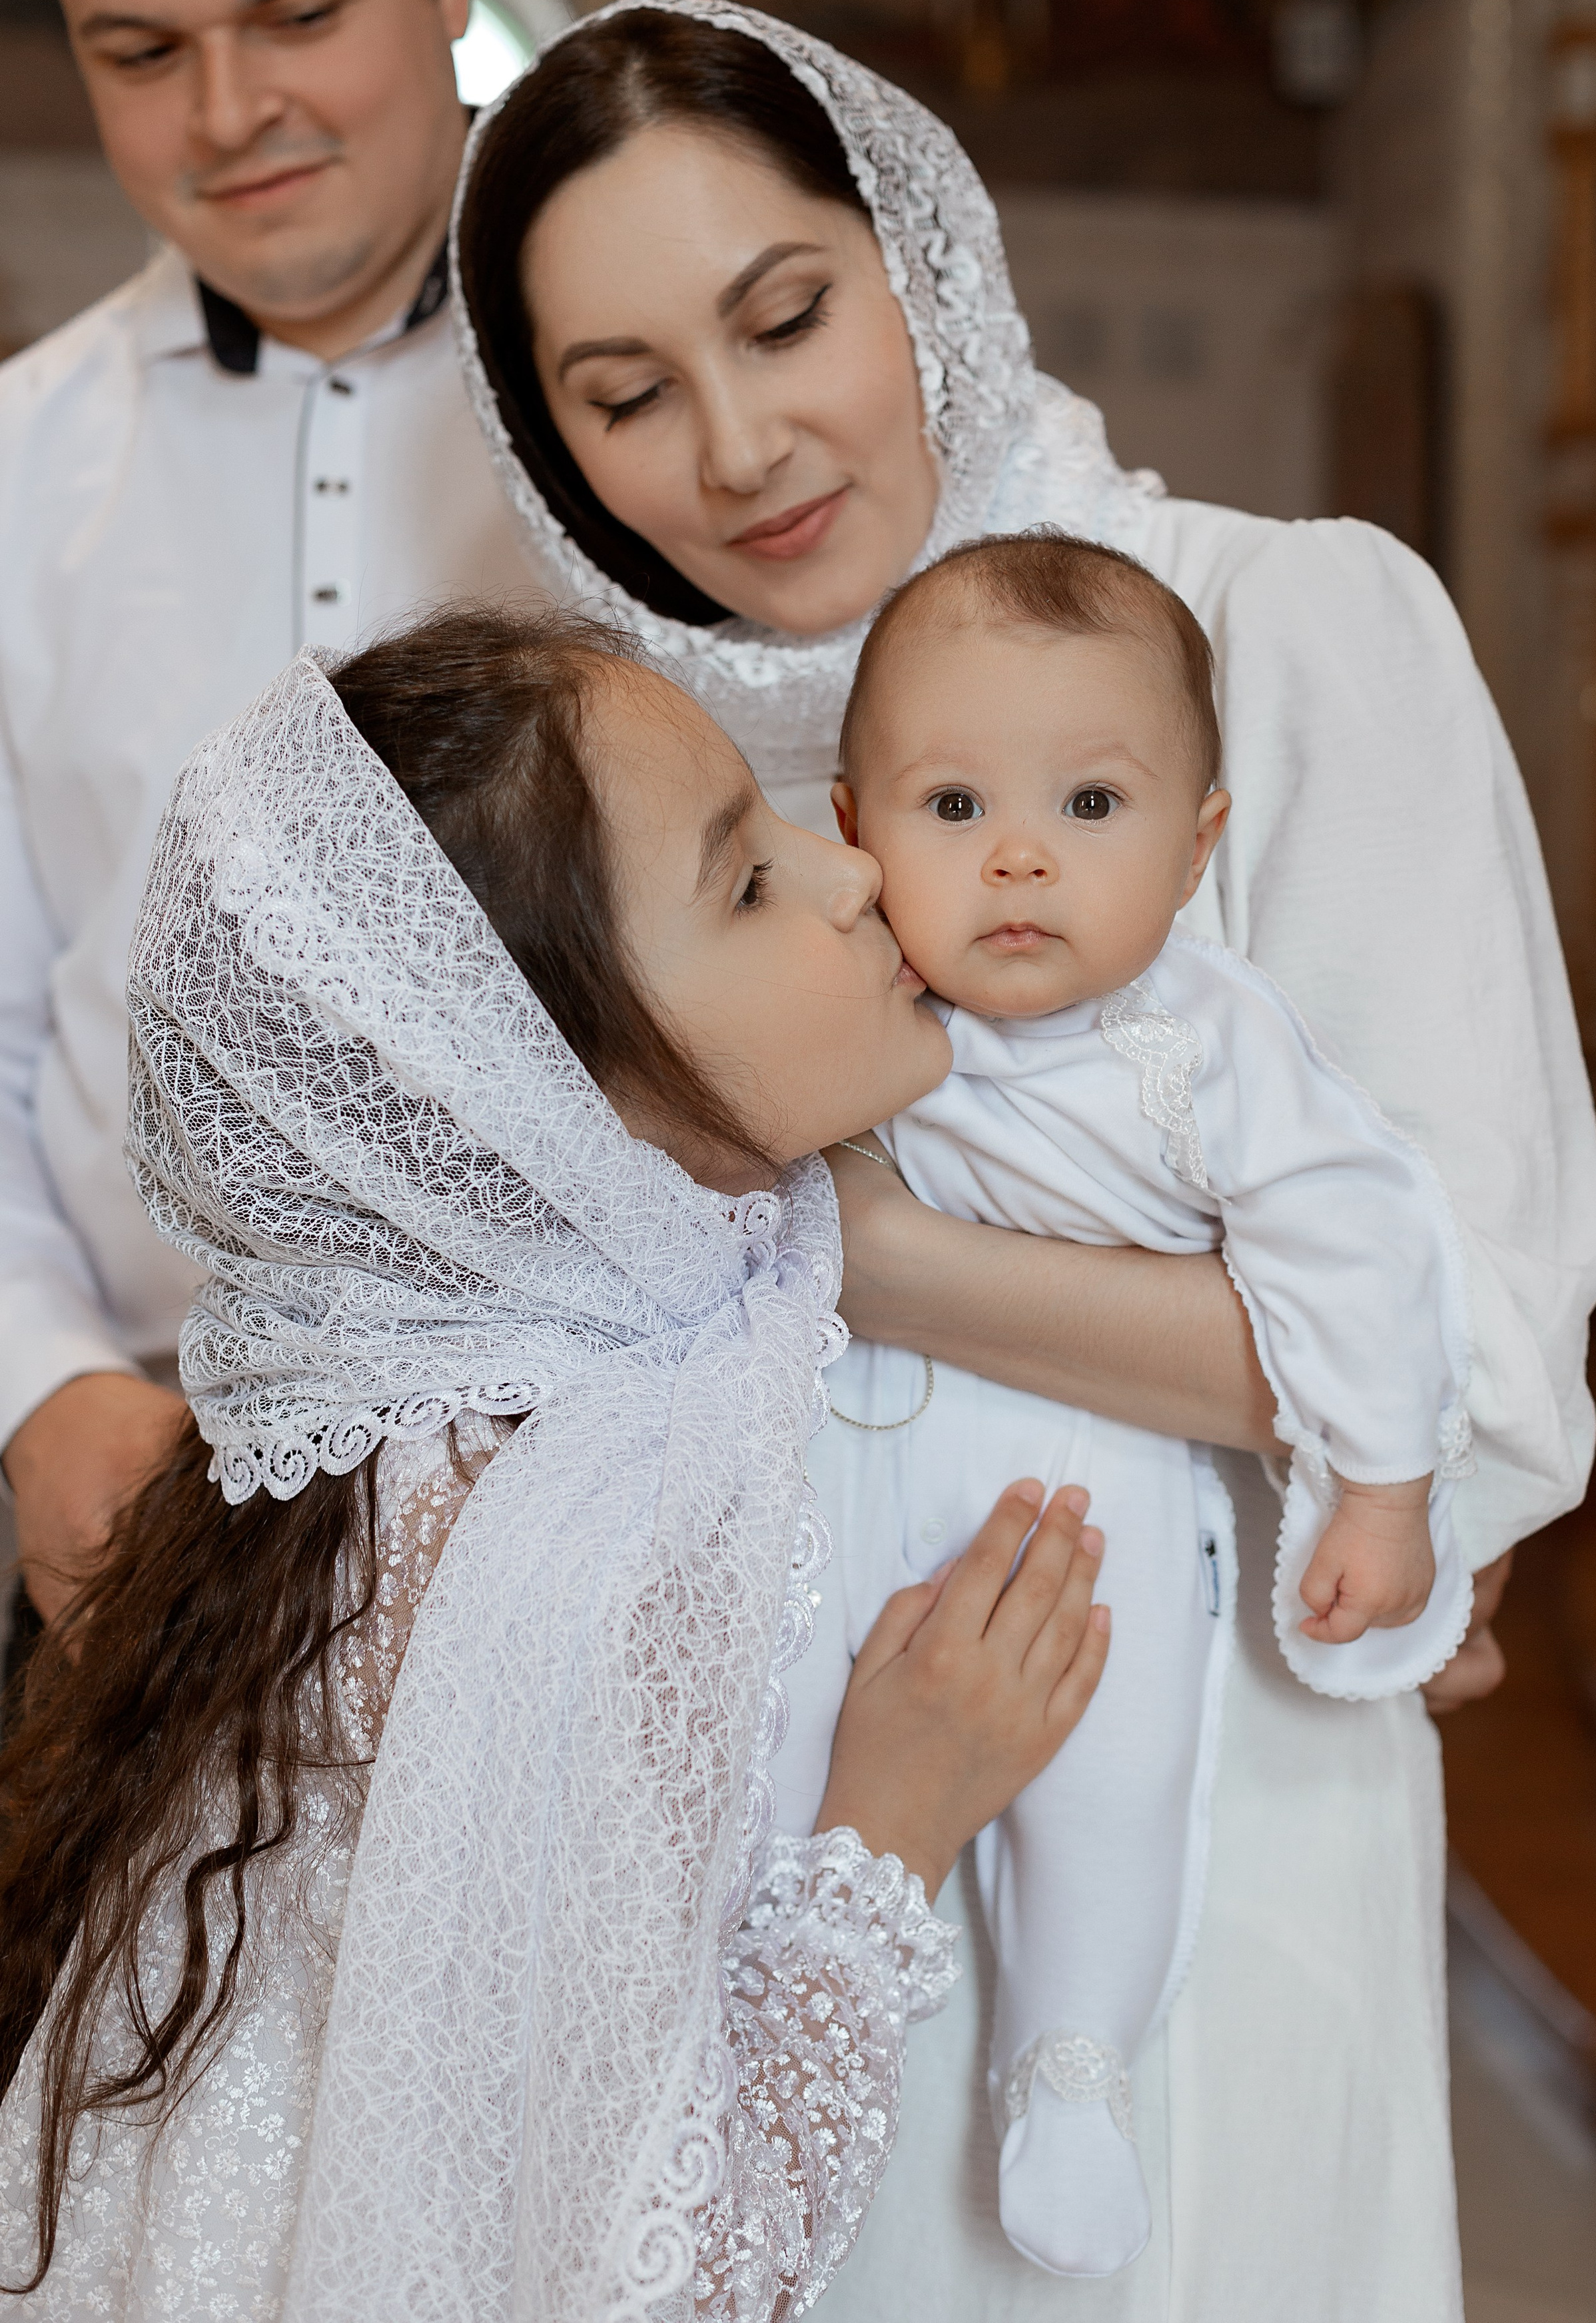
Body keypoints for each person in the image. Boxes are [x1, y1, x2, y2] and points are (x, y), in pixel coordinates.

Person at [451, 0, 1596, 2318]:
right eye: (625, 396)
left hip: (1228, 1871)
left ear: (925, 258)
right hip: (787, 1903)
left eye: (788, 315)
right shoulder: (630, 807)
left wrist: (871, 1265)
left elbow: (1472, 1378)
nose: (744, 445)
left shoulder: (1288, 634)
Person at [0, 605, 1110, 2316]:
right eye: (743, 881)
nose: (851, 876)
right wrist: (899, 1813)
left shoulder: (513, 1379)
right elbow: (666, 2272)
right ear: (535, 1095)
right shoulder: (549, 1554)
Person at [773, 526, 1475, 2282]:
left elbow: (1362, 1247)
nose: (1019, 856)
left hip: (1093, 1503)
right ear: (854, 839)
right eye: (952, 810)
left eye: (1093, 808)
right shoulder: (852, 1000)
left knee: (1118, 1773)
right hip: (840, 1495)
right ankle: (783, 2065)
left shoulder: (1202, 1041)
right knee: (795, 1770)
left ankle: (1067, 2066)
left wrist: (1381, 1491)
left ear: (1197, 845)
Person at [0, 0, 538, 1631]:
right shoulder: (12, 469)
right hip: (144, 1525)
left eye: (299, 16)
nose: (231, 115)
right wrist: (36, 1382)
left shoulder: (656, 422)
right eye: (140, 51)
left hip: (607, 1513)